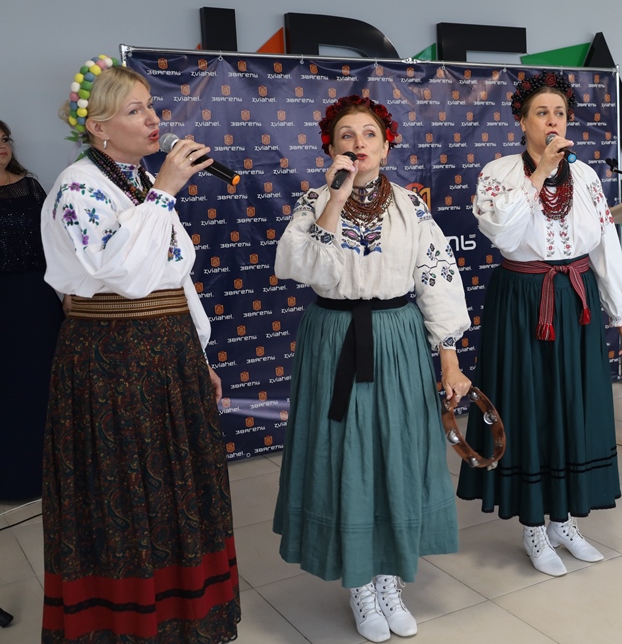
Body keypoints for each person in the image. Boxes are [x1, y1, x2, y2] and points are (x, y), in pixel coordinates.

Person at [39, 56, 239, 643]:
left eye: (151, 106)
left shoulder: (138, 183)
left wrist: (199, 355)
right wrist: (166, 191)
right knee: (126, 487)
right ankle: (128, 624)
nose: (153, 119)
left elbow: (175, 279)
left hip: (169, 352)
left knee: (178, 485)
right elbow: (122, 273)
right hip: (113, 358)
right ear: (98, 127)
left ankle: (185, 619)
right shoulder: (77, 187)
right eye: (135, 110)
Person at [273, 95, 471, 642]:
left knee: (397, 452)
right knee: (344, 453)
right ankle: (359, 584)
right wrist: (334, 199)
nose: (358, 143)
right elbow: (294, 266)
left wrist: (449, 358)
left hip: (397, 337)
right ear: (330, 149)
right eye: (346, 135)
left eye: (369, 135)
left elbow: (437, 278)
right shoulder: (315, 200)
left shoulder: (411, 206)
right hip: (334, 338)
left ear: (386, 148)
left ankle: (389, 579)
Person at [455, 71, 622, 577]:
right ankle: (533, 525)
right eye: (542, 113)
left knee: (573, 404)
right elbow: (502, 231)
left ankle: (564, 520)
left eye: (559, 112)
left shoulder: (586, 177)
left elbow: (605, 248)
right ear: (522, 121)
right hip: (522, 299)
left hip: (574, 298)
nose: (552, 121)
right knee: (529, 406)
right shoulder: (499, 173)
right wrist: (539, 172)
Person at [0, 120, 63, 501]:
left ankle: (51, 475)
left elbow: (52, 241)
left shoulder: (30, 185)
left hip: (37, 298)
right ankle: (12, 480)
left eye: (4, 139)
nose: (2, 147)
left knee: (43, 383)